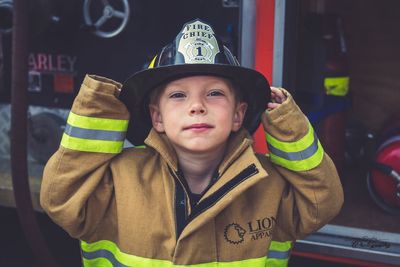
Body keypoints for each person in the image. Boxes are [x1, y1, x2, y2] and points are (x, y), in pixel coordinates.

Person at [40, 19, 343, 267]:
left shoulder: (267, 185)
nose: (197, 106)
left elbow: (322, 203)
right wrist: (102, 109)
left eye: (214, 93)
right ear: (156, 117)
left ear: (239, 115)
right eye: (178, 95)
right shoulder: (116, 181)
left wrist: (287, 125)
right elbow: (60, 199)